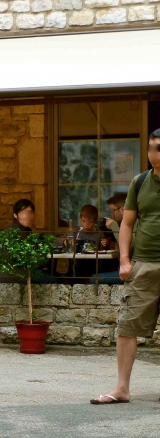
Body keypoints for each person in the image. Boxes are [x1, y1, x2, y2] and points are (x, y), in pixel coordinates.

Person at [90, 129, 160, 405]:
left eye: (159, 147)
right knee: (127, 326)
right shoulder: (140, 182)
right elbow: (127, 224)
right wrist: (124, 260)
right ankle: (121, 389)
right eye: (151, 147)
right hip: (143, 264)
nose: (154, 152)